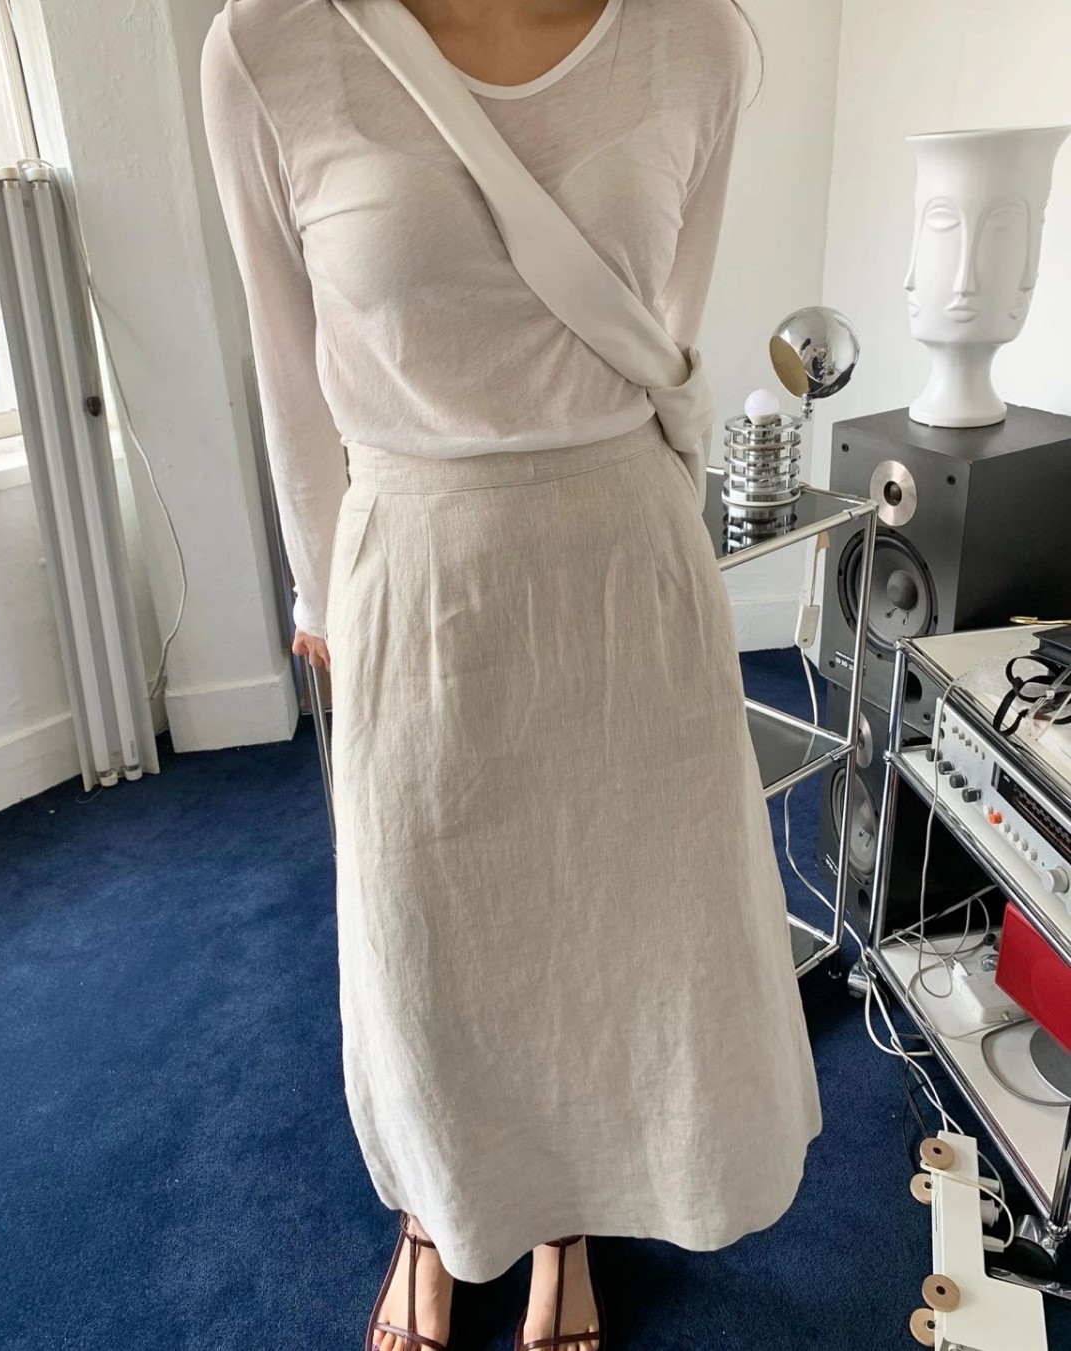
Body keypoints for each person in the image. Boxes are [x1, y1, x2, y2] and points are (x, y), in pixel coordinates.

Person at [200, 2, 823, 1348]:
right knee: (429, 939)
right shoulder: (271, 46)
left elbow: (665, 339)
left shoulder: (699, 42)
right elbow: (288, 372)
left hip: (621, 566)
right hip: (419, 572)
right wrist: (323, 596)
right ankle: (435, 1216)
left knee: (608, 925)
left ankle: (564, 1224)